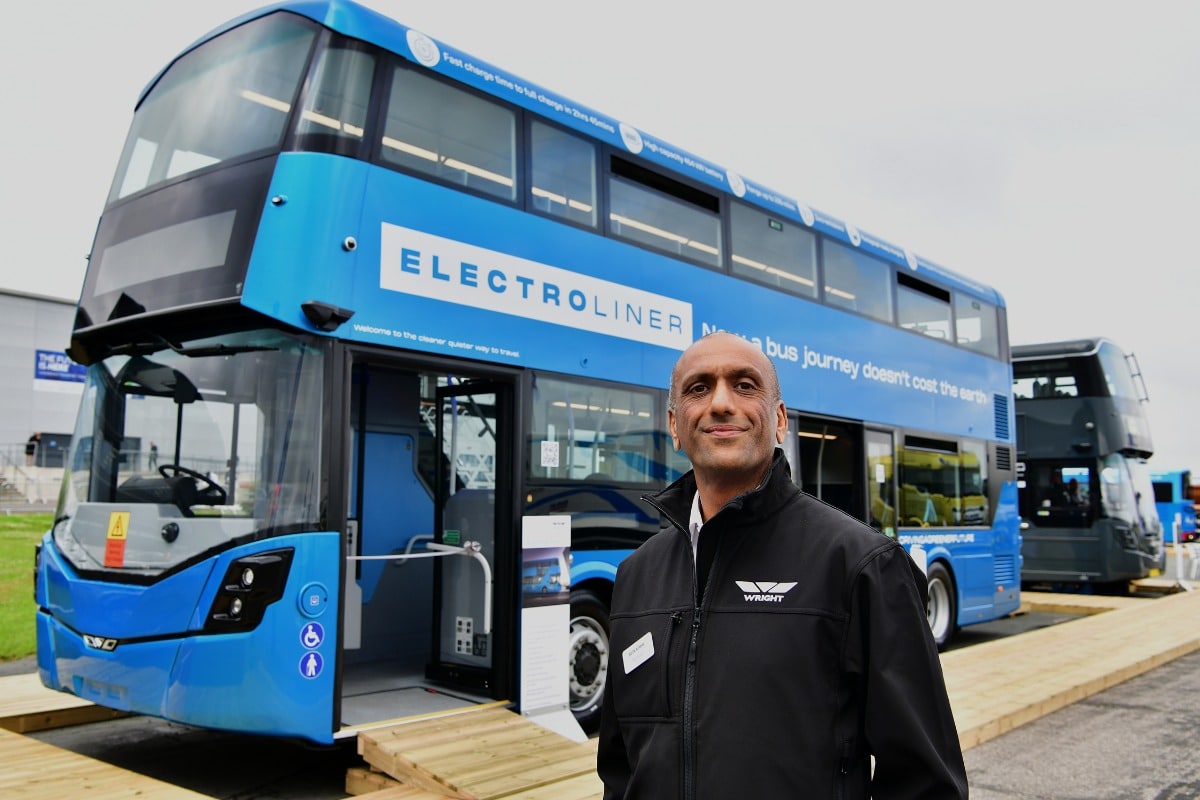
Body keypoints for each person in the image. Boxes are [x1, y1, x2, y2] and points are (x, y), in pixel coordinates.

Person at [596, 332, 967, 799]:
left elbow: (925, 784)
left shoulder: (862, 564)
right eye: (698, 388)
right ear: (675, 424)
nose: (721, 403)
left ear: (780, 420)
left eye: (745, 385)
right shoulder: (636, 576)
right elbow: (620, 769)